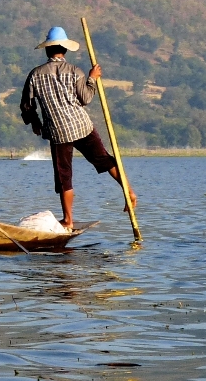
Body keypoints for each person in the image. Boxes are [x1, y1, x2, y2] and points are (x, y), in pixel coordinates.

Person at [20, 26, 137, 229]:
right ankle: (129, 191)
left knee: (64, 176)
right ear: (64, 51)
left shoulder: (35, 75)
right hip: (81, 125)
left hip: (58, 131)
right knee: (105, 160)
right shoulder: (76, 72)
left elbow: (26, 105)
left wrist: (35, 122)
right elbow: (86, 98)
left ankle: (68, 220)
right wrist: (92, 78)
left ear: (47, 51)